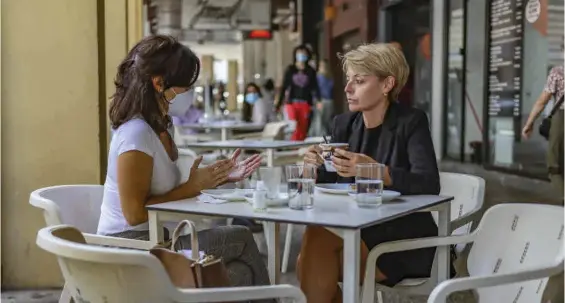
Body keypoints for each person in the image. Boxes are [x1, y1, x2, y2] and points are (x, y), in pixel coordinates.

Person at [97, 35, 272, 294]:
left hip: (159, 240)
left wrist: (214, 177)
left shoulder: (162, 127)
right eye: (184, 87)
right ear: (159, 83)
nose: (189, 94)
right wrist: (193, 187)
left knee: (241, 274)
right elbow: (134, 215)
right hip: (131, 248)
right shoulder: (136, 135)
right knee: (241, 237)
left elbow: (162, 189)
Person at [299, 43, 441, 302]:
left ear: (387, 85)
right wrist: (313, 167)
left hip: (400, 238)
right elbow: (332, 178)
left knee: (316, 249)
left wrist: (375, 170)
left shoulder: (411, 122)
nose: (347, 88)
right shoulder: (344, 124)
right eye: (348, 80)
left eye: (359, 81)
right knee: (315, 248)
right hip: (355, 228)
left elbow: (429, 182)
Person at [522, 63, 564, 200]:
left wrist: (529, 123)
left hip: (562, 120)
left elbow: (542, 101)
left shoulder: (558, 71)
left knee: (554, 165)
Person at [276, 45, 320, 141]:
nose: (301, 55)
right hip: (291, 102)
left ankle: (298, 148)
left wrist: (319, 100)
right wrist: (279, 103)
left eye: (304, 53)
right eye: (299, 53)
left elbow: (315, 87)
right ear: (295, 55)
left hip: (305, 103)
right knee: (293, 125)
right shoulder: (290, 69)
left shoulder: (310, 71)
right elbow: (284, 87)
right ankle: (292, 146)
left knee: (302, 128)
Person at [316, 59, 334, 136]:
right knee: (320, 120)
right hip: (321, 100)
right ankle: (322, 135)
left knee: (328, 119)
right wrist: (317, 101)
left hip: (329, 100)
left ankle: (329, 134)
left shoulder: (330, 77)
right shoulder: (317, 77)